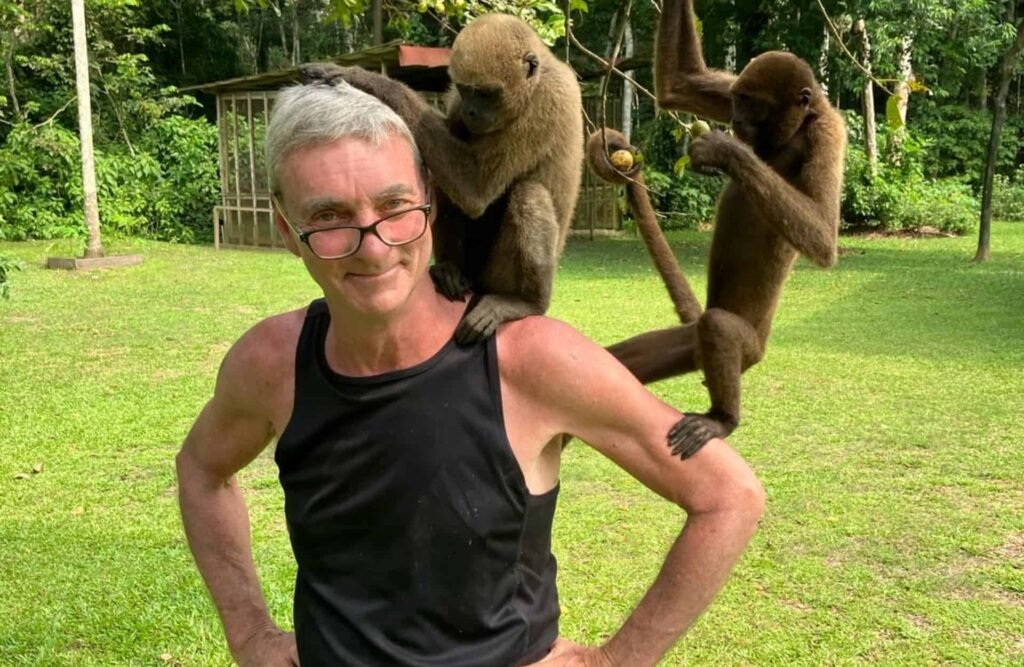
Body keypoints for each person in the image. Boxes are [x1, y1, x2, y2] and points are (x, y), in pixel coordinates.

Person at [175, 79, 765, 667]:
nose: (374, 247)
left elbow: (727, 495)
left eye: (394, 206)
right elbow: (201, 469)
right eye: (329, 216)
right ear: (287, 231)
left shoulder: (531, 360)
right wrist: (249, 633)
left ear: (430, 199)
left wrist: (613, 660)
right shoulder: (272, 362)